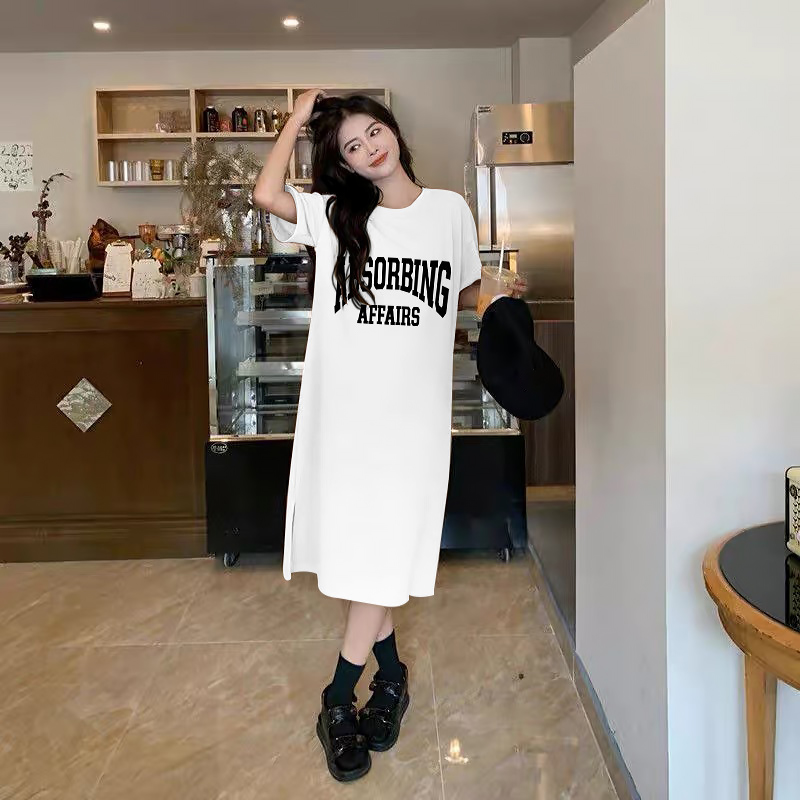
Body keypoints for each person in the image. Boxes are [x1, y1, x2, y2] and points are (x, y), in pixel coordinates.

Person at [253, 89, 511, 783]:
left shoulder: (449, 211)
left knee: (380, 553)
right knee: (365, 555)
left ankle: (341, 695)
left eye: (373, 132)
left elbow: (459, 294)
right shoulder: (339, 214)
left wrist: (496, 295)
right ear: (343, 163)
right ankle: (382, 681)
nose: (370, 148)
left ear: (392, 129)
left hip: (412, 420)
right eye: (351, 146)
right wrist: (296, 121)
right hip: (346, 416)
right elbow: (266, 193)